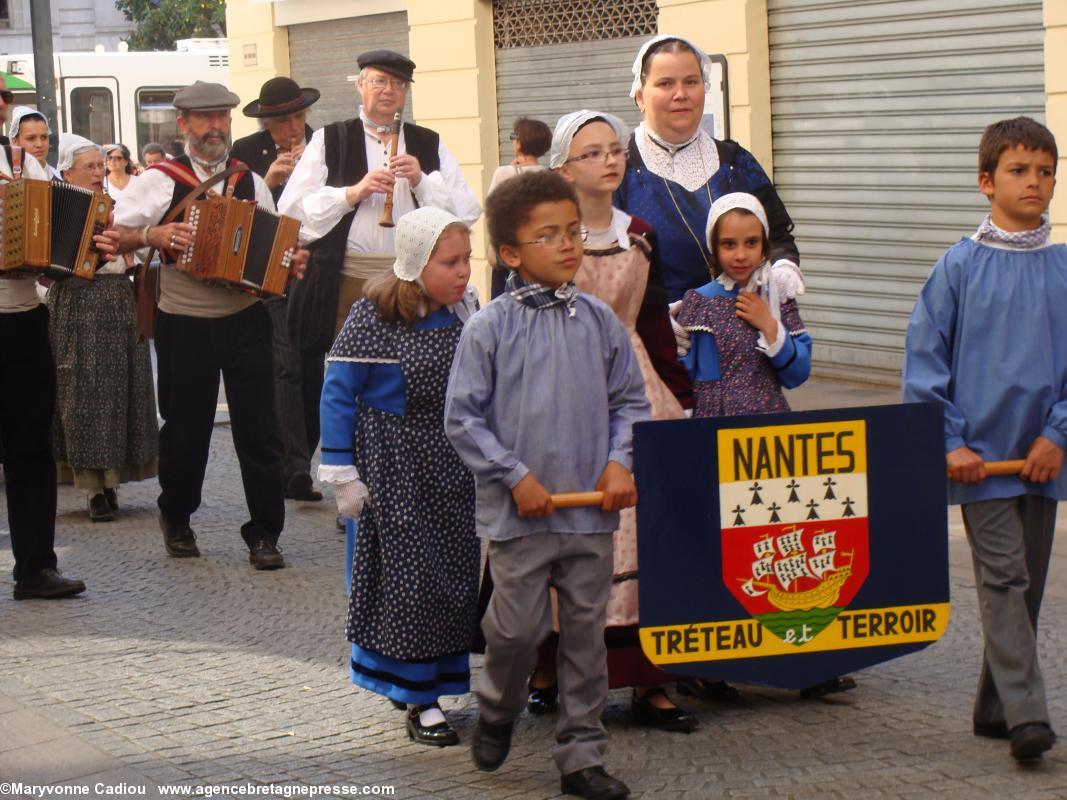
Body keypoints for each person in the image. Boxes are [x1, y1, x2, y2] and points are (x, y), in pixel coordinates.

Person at [445, 170, 649, 800]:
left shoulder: (599, 321)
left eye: (572, 233)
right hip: (521, 517)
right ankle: (499, 707)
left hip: (589, 514)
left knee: (585, 636)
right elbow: (463, 418)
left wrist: (620, 461)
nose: (568, 245)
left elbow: (631, 401)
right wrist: (515, 477)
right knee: (514, 631)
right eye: (549, 236)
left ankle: (581, 756)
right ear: (510, 253)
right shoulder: (489, 328)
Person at [520, 109, 696, 732]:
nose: (609, 161)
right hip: (563, 384)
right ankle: (548, 666)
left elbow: (652, 326)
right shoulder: (543, 235)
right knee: (566, 522)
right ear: (564, 167)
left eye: (615, 150)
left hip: (635, 381)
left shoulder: (640, 232)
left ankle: (652, 681)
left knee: (648, 527)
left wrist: (681, 396)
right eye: (592, 153)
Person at [903, 116, 1065, 763]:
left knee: (1025, 585)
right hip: (979, 464)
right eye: (1019, 171)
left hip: (1040, 460)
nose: (1034, 182)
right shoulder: (957, 268)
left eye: (1045, 171)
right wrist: (950, 443)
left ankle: (993, 707)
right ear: (984, 181)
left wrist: (1057, 434)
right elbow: (923, 360)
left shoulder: (1062, 268)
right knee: (1002, 578)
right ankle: (1029, 717)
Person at [111, 80, 307, 570]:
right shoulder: (159, 179)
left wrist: (289, 261)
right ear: (183, 125)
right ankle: (176, 515)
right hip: (184, 320)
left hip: (245, 319)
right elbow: (111, 233)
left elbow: (272, 242)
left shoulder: (249, 179)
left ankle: (265, 533)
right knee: (186, 430)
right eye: (205, 118)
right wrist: (151, 233)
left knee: (260, 430)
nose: (216, 126)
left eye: (222, 117)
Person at [280, 50, 481, 491]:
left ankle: (412, 471)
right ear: (360, 86)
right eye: (378, 82)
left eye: (396, 84)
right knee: (351, 381)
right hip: (349, 277)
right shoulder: (330, 139)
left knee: (413, 379)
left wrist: (422, 182)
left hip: (414, 280)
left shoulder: (426, 142)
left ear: (405, 91)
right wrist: (352, 192)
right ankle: (351, 477)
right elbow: (291, 211)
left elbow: (466, 214)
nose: (388, 91)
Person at [319, 206, 480, 747]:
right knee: (409, 582)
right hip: (394, 466)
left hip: (451, 464)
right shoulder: (375, 316)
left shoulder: (464, 313)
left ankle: (438, 678)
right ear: (416, 264)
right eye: (450, 262)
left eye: (466, 260)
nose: (463, 272)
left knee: (451, 578)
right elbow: (339, 390)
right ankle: (418, 698)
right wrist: (342, 470)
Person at [616, 35, 804, 367]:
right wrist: (649, 320)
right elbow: (601, 267)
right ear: (640, 96)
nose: (680, 94)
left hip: (743, 353)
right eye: (665, 83)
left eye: (691, 82)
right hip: (661, 358)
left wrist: (783, 266)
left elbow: (777, 236)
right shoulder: (620, 170)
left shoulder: (734, 161)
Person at [0, 77, 89, 600]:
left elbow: (57, 222)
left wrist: (72, 253)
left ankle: (35, 567)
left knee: (31, 445)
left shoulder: (22, 164)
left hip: (21, 315)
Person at [48, 134, 158, 523]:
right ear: (67, 173)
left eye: (101, 165)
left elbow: (140, 249)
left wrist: (130, 248)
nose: (99, 172)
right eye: (90, 167)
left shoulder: (120, 202)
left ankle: (112, 481)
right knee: (81, 392)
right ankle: (93, 488)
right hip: (75, 301)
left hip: (116, 298)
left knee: (119, 389)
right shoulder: (51, 205)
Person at [232, 76, 324, 503]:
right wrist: (266, 183)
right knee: (285, 366)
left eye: (300, 117)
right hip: (269, 269)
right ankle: (295, 468)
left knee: (312, 365)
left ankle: (303, 450)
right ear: (268, 123)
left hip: (315, 267)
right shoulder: (245, 154)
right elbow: (232, 220)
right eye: (286, 120)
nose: (295, 128)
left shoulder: (324, 146)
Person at [677, 192, 811, 415]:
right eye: (729, 244)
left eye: (751, 243)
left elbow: (798, 374)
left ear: (764, 245)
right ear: (714, 247)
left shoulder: (777, 299)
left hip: (764, 432)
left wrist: (769, 325)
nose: (741, 255)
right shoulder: (699, 302)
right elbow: (681, 375)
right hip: (712, 428)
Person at [487, 116, 552, 296]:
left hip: (509, 256)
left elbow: (491, 210)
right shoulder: (550, 176)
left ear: (520, 142)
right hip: (539, 257)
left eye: (514, 137)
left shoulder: (504, 173)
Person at [9, 106, 59, 179]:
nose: (39, 144)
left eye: (44, 137)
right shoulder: (7, 180)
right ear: (15, 142)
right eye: (31, 138)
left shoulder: (60, 179)